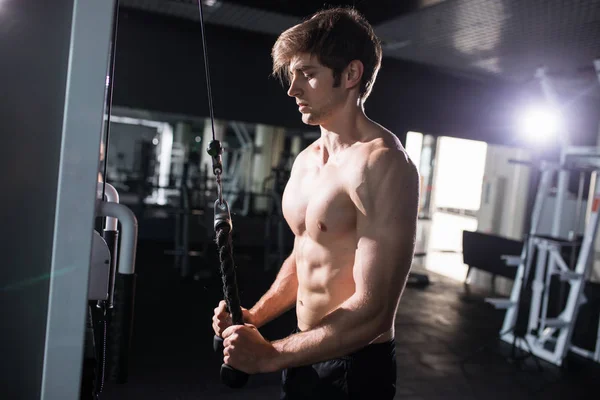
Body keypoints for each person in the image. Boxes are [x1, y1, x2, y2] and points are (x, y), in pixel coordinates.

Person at [212, 6, 420, 399]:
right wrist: (255, 316)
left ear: (351, 75)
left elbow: (375, 312)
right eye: (292, 76)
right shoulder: (306, 160)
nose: (293, 90)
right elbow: (306, 252)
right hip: (304, 351)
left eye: (308, 74)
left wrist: (269, 355)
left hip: (355, 365)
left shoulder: (382, 163)